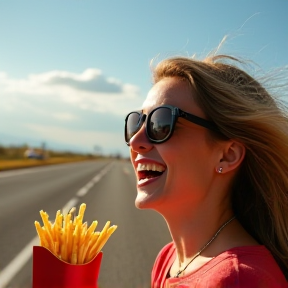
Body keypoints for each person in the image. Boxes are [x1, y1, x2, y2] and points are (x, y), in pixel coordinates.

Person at [124, 51, 288, 287]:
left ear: (227, 156)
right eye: (137, 122)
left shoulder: (240, 278)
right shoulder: (169, 259)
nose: (136, 140)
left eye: (161, 124)